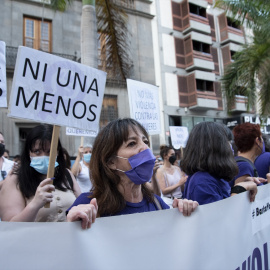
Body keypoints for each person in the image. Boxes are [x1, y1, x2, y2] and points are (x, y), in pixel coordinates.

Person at [67, 118, 198, 229]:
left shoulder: (157, 204)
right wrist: (71, 226)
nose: (145, 148)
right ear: (111, 162)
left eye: (145, 141)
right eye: (132, 143)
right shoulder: (90, 205)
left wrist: (183, 214)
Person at [0, 124, 81, 222]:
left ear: (58, 152)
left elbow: (80, 204)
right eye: (37, 151)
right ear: (29, 153)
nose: (44, 156)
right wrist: (35, 204)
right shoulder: (15, 180)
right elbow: (10, 225)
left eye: (49, 151)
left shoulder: (66, 174)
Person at [181, 122, 261, 206]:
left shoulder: (213, 177)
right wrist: (239, 189)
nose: (231, 146)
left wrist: (245, 184)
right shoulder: (202, 181)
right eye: (228, 142)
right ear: (216, 146)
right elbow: (221, 216)